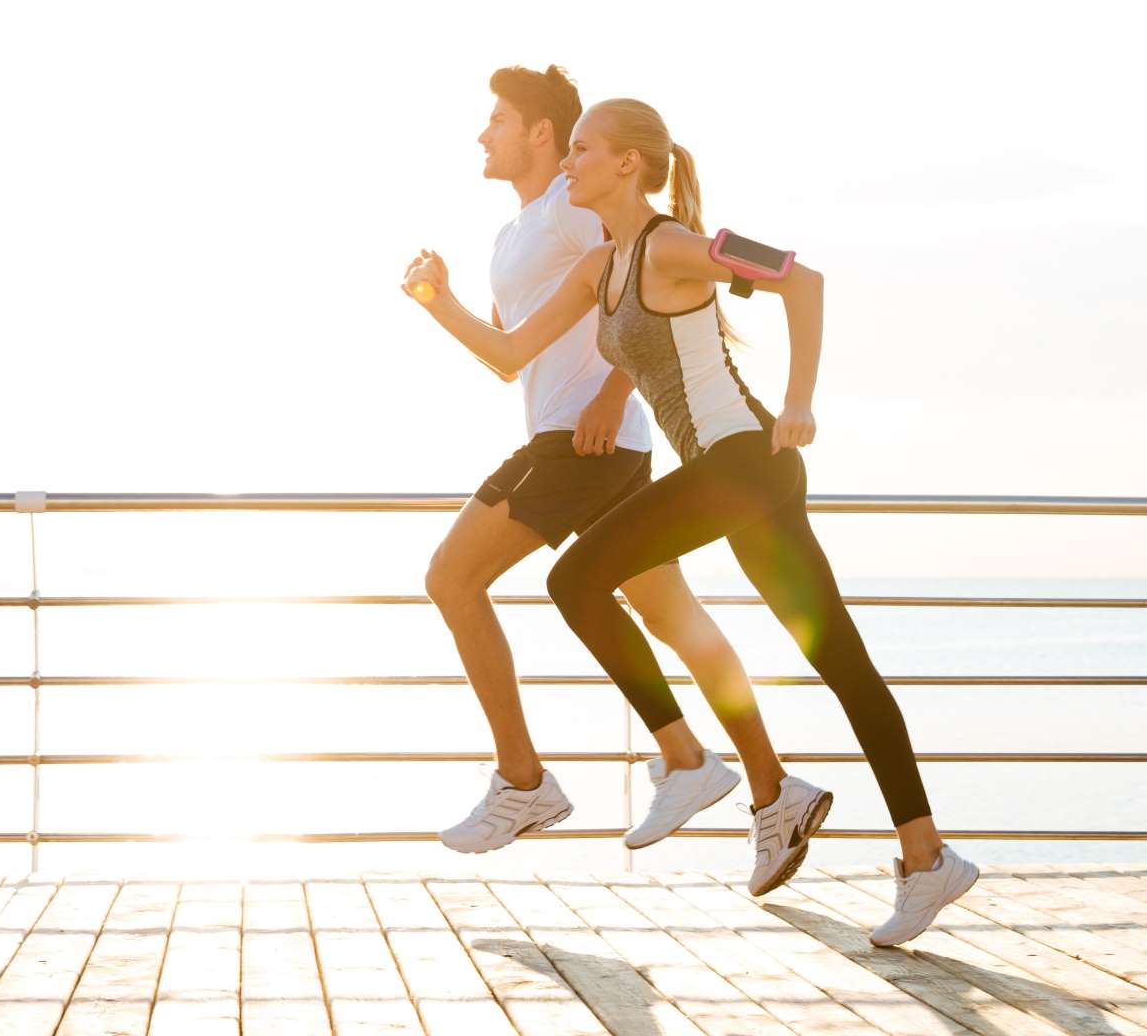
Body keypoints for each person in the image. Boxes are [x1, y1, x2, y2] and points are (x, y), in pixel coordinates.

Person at [402, 96, 980, 946]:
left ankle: (686, 762)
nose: (569, 162)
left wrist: (798, 401)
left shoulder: (675, 244)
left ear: (628, 164)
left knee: (576, 577)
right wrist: (436, 301)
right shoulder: (600, 269)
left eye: (585, 149)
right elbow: (511, 355)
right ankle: (928, 860)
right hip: (735, 479)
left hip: (747, 460)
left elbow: (801, 278)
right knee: (838, 658)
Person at [414, 66, 830, 891]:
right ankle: (769, 787)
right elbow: (519, 351)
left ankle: (532, 781)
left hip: (610, 445)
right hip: (603, 445)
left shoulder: (597, 217)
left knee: (454, 578)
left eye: (499, 119)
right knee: (678, 618)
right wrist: (443, 302)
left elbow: (677, 281)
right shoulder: (527, 235)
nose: (483, 134)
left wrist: (620, 390)